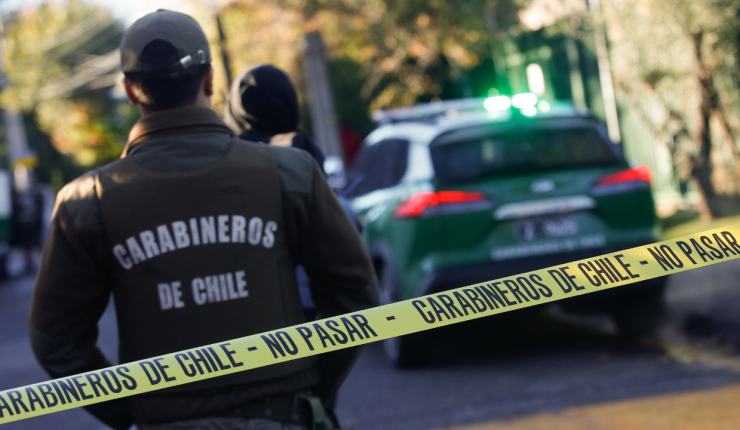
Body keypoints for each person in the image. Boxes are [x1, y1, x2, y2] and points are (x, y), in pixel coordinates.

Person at [28, 10, 379, 430]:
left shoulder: (87, 202)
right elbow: (355, 295)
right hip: (281, 416)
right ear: (210, 80)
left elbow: (55, 341)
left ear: (130, 91)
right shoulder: (290, 173)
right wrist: (310, 390)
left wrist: (134, 411)